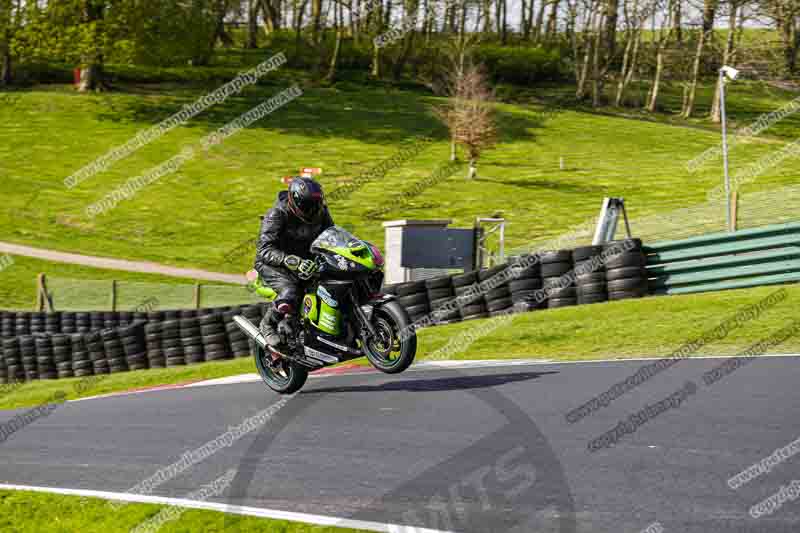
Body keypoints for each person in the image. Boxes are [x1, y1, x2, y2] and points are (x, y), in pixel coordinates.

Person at [254, 177, 334, 348]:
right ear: (295, 200)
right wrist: (290, 260)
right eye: (307, 205)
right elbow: (264, 250)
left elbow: (332, 235)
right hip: (273, 264)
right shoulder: (277, 214)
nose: (312, 209)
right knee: (291, 290)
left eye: (315, 204)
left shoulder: (321, 212)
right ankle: (268, 324)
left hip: (306, 261)